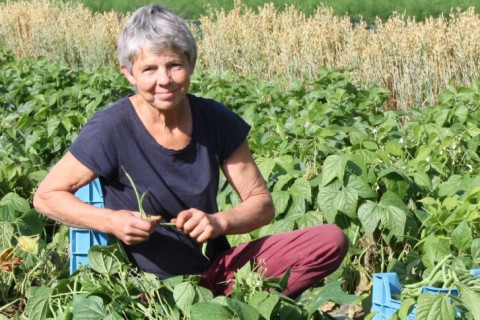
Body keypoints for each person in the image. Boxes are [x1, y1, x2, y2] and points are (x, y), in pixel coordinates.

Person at [33, 4, 348, 298]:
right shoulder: (112, 127)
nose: (164, 80)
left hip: (217, 274)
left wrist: (217, 223)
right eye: (149, 69)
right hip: (146, 291)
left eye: (174, 65)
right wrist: (112, 221)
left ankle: (234, 307)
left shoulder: (215, 119)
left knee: (328, 241)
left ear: (191, 63)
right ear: (128, 73)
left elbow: (261, 204)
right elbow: (46, 196)